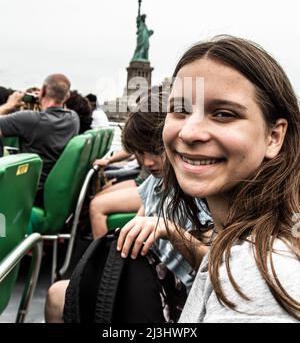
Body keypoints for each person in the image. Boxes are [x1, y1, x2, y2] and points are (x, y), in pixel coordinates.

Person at [161, 35, 300, 323]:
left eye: (223, 114)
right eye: (180, 110)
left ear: (274, 136)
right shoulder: (253, 238)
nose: (189, 132)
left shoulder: (257, 278)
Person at [45, 91, 211, 323]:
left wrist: (170, 230)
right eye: (140, 153)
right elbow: (140, 221)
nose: (147, 162)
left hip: (181, 296)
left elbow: (212, 266)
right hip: (149, 279)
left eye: (155, 151)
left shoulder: (201, 195)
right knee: (56, 296)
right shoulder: (156, 182)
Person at [0, 74, 80, 206]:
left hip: (28, 192)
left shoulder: (29, 119)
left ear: (43, 91)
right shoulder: (73, 118)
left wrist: (9, 105)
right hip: (49, 191)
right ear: (67, 97)